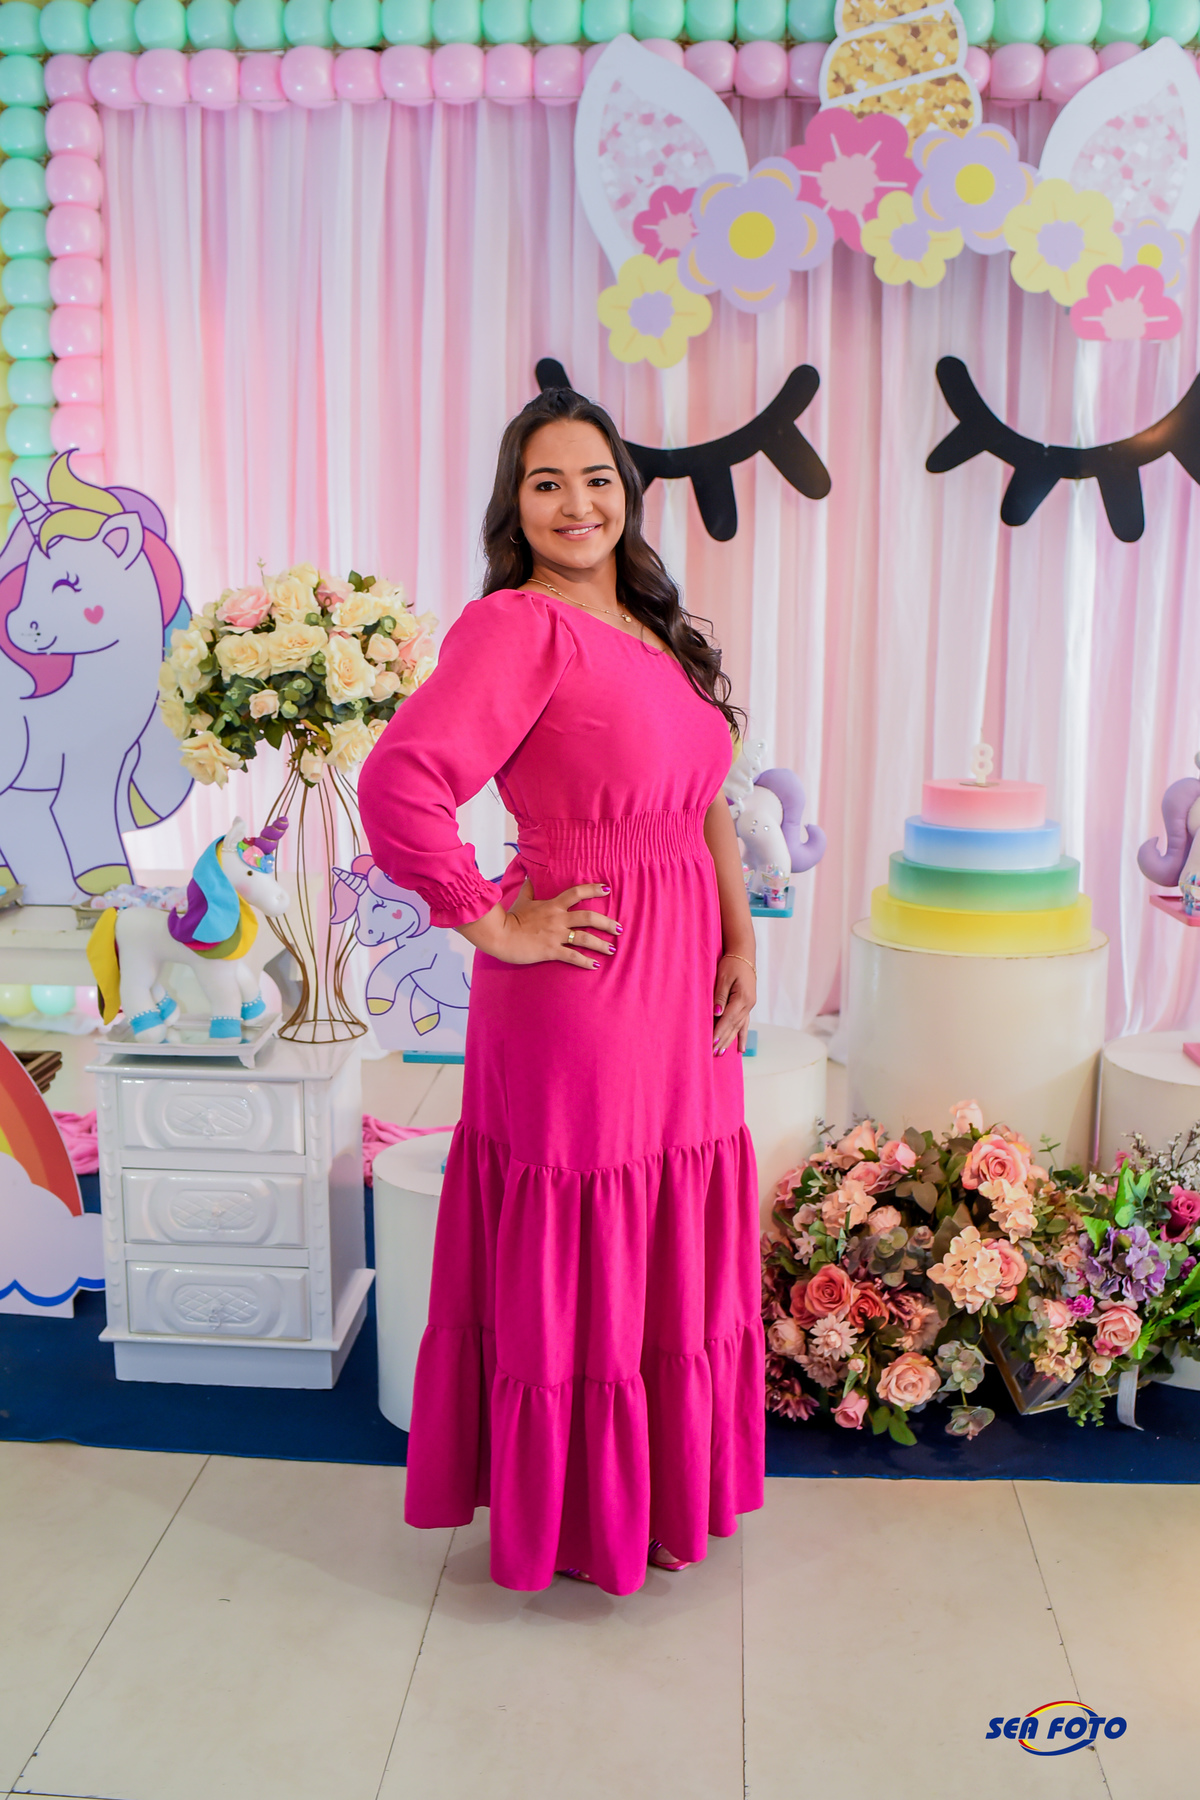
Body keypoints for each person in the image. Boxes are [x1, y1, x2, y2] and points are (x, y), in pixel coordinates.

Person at [358, 386, 764, 1595]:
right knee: (588, 1223)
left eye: (595, 478)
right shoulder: (518, 626)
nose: (576, 503)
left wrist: (740, 936)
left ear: (625, 493)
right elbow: (400, 784)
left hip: (684, 972)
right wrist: (492, 922)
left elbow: (704, 799)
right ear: (515, 505)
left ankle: (655, 1496)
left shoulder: (648, 624)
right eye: (547, 483)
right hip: (586, 980)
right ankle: (579, 1517)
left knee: (663, 1221)